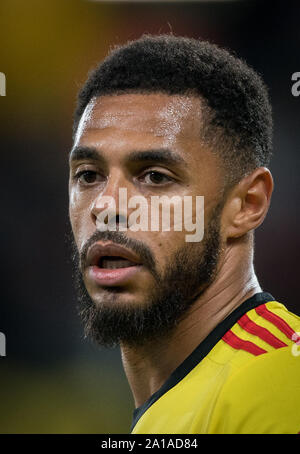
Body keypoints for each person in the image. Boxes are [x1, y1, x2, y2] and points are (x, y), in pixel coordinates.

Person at [68, 34, 300, 434]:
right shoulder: (196, 400)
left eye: (155, 177)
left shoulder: (278, 380)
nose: (106, 207)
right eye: (89, 175)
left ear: (247, 205)